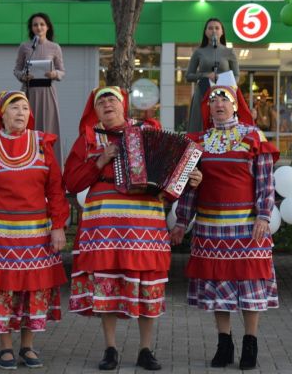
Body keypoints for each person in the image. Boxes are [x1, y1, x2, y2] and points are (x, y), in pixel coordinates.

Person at [64, 86, 202, 371]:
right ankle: (110, 349)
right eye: (100, 101)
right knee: (107, 283)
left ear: (123, 105)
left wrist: (188, 179)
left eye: (111, 99)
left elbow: (169, 180)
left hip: (144, 224)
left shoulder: (147, 131)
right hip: (103, 227)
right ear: (95, 109)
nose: (106, 104)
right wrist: (101, 160)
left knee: (147, 285)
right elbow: (72, 182)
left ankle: (145, 350)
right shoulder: (88, 140)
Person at [170, 78, 279, 370]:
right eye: (213, 101)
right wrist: (182, 222)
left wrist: (264, 216)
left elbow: (265, 183)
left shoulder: (254, 137)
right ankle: (224, 343)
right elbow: (189, 187)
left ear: (234, 106)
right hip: (210, 228)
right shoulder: (197, 143)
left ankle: (250, 344)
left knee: (250, 286)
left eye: (224, 99)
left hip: (246, 226)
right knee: (218, 286)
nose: (218, 104)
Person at [0, 90, 68, 370]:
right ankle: (5, 348)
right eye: (14, 108)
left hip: (36, 234)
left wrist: (58, 226)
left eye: (25, 108)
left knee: (32, 289)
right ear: (2, 114)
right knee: (2, 290)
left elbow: (56, 190)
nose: (21, 113)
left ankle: (28, 346)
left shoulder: (41, 143)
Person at [13, 12, 65, 164]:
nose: (39, 27)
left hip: (47, 92)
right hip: (28, 92)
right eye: (35, 25)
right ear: (31, 28)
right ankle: (26, 161)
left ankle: (50, 163)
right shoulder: (25, 47)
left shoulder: (55, 47)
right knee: (27, 126)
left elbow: (62, 71)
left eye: (42, 24)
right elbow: (16, 69)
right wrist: (23, 75)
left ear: (47, 27)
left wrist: (54, 73)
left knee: (48, 127)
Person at [185, 18, 239, 132]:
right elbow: (188, 76)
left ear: (222, 32)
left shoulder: (229, 52)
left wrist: (231, 90)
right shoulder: (198, 52)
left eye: (217, 28)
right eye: (210, 28)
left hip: (224, 96)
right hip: (203, 93)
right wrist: (205, 75)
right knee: (200, 125)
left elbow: (237, 76)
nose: (213, 31)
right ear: (205, 32)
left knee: (225, 127)